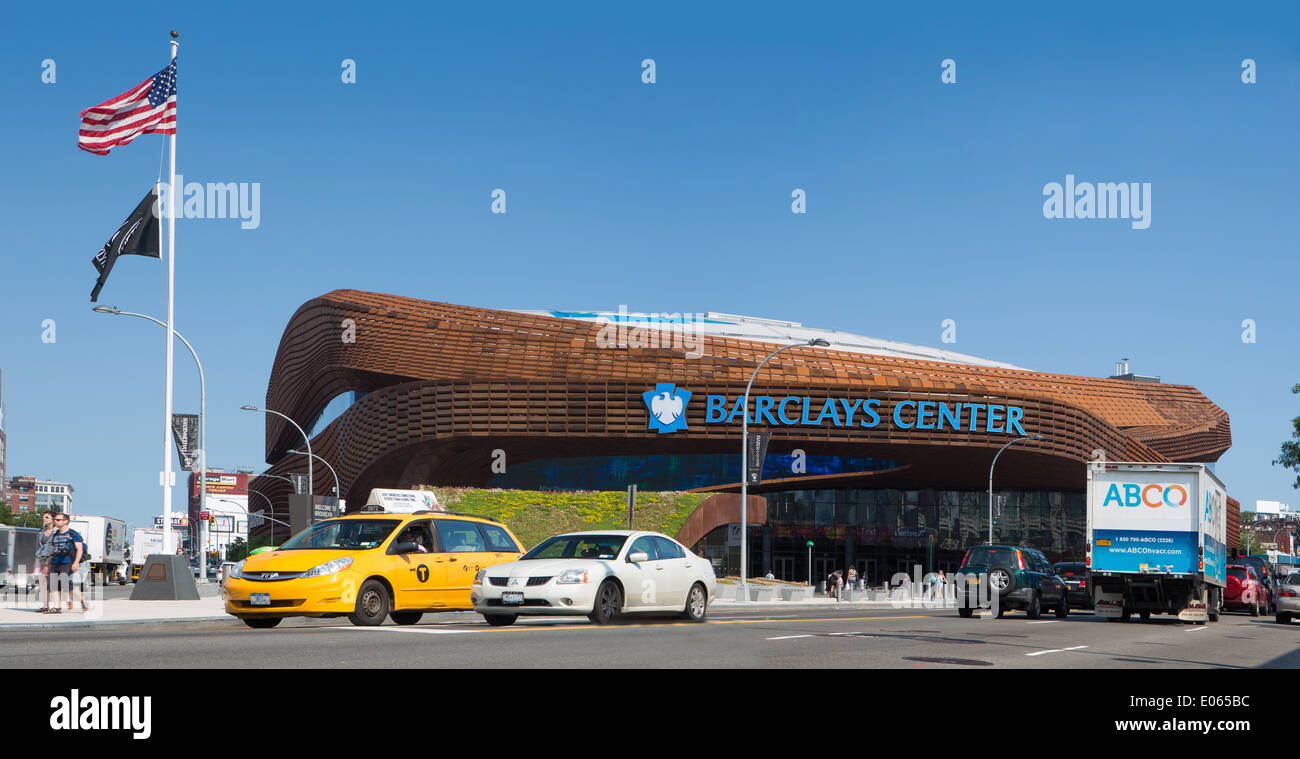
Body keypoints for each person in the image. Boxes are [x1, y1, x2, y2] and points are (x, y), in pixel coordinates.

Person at [46, 514, 88, 613]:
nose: (55, 521)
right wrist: (48, 560)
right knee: (54, 584)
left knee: (64, 583)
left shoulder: (73, 534)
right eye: (54, 519)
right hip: (55, 562)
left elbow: (79, 549)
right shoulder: (55, 534)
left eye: (58, 519)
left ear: (66, 521)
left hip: (67, 562)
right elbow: (52, 549)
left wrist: (76, 563)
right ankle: (57, 607)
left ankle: (82, 598)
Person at [33, 511, 55, 613]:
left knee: (52, 583)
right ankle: (45, 605)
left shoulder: (56, 532)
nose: (44, 519)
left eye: (47, 517)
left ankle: (56, 605)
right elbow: (39, 545)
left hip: (51, 559)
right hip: (40, 557)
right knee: (42, 583)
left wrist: (48, 561)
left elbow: (54, 547)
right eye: (44, 517)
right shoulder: (42, 530)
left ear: (53, 519)